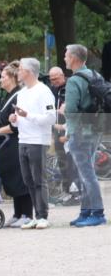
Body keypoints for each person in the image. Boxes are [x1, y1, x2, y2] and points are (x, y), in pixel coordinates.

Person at [8, 57, 56, 230]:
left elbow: (51, 118)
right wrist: (14, 120)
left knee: (39, 179)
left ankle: (43, 215)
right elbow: (20, 118)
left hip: (38, 140)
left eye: (20, 69)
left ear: (28, 72)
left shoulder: (43, 91)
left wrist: (27, 115)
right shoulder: (22, 93)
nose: (18, 72)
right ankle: (36, 215)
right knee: (28, 179)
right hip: (23, 139)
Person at [63, 44, 106, 227]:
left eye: (66, 55)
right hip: (95, 129)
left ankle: (97, 212)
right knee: (86, 172)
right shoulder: (96, 75)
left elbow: (71, 110)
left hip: (80, 132)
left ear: (73, 58)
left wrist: (63, 109)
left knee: (87, 174)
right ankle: (86, 211)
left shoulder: (74, 81)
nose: (64, 58)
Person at [0, 62, 33, 227]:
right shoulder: (8, 96)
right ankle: (18, 213)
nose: (1, 80)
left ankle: (27, 213)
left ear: (12, 78)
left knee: (19, 178)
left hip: (14, 142)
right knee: (11, 178)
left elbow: (15, 125)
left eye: (4, 77)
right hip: (5, 144)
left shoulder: (18, 95)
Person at [47, 66, 79, 205]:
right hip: (57, 129)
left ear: (62, 76)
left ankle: (76, 193)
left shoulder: (70, 87)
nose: (53, 81)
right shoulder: (52, 90)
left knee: (71, 163)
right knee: (62, 163)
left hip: (70, 129)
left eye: (56, 79)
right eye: (51, 79)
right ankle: (67, 191)